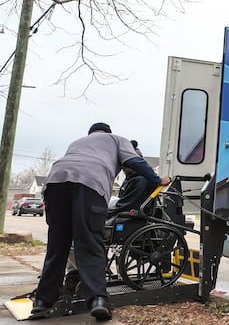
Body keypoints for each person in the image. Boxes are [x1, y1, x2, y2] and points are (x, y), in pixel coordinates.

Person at [31, 123, 170, 321]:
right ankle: (98, 300)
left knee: (57, 246)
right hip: (89, 184)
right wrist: (157, 180)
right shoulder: (116, 140)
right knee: (89, 243)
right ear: (107, 132)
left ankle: (42, 303)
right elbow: (135, 161)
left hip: (55, 183)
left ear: (91, 134)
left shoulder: (78, 142)